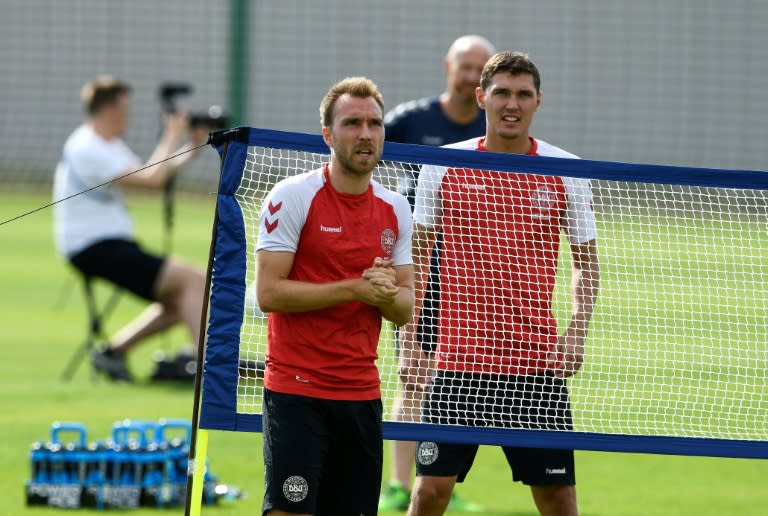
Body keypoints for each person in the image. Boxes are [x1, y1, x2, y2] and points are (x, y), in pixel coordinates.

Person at [401, 51, 600, 516]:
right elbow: (417, 259)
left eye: (523, 94)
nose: (512, 104)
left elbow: (586, 262)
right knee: (430, 492)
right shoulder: (443, 165)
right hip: (457, 364)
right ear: (481, 98)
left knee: (557, 498)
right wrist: (411, 342)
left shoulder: (566, 168)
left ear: (538, 101)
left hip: (535, 366)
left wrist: (576, 332)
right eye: (502, 93)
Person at [255, 76, 415, 516]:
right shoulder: (293, 196)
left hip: (361, 394)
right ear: (327, 134)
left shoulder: (395, 208)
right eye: (352, 123)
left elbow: (405, 309)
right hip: (297, 390)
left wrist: (382, 294)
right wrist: (356, 288)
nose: (365, 134)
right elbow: (269, 293)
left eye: (374, 124)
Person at [379, 34, 495, 513]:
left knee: (460, 379)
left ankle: (442, 479)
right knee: (415, 374)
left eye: (480, 69)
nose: (470, 76)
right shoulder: (410, 120)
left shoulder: (496, 133)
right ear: (448, 67)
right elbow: (360, 157)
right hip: (418, 267)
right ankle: (398, 485)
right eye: (464, 66)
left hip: (472, 271)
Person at [53, 75, 209, 382]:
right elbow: (150, 180)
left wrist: (192, 147)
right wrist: (171, 135)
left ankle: (112, 352)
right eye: (126, 108)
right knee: (194, 283)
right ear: (109, 110)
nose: (130, 115)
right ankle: (207, 371)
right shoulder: (88, 147)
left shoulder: (107, 145)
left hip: (109, 243)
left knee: (188, 294)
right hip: (94, 247)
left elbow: (156, 176)